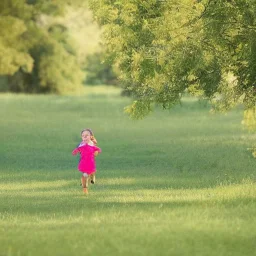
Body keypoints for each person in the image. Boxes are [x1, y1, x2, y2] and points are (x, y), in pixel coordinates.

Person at [72, 129, 101, 194]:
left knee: (92, 171)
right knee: (85, 174)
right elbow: (78, 150)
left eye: (87, 135)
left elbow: (96, 149)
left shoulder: (92, 143)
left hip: (91, 160)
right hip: (84, 161)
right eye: (83, 136)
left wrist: (96, 152)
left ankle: (92, 177)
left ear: (91, 136)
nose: (84, 137)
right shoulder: (81, 145)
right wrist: (76, 151)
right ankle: (85, 188)